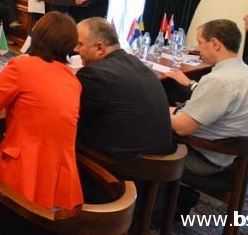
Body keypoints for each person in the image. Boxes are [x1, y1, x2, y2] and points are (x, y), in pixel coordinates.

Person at [0, 12, 83, 221]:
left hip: (19, 186)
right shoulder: (73, 80)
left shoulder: (22, 66)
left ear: (35, 37)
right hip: (59, 191)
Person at [168, 19, 248, 191]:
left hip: (203, 158)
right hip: (231, 156)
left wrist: (155, 108)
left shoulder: (218, 80)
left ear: (215, 44)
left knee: (138, 135)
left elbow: (182, 128)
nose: (198, 48)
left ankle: (152, 199)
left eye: (200, 42)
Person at [74, 18, 174, 160]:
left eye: (80, 44)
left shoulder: (94, 74)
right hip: (163, 161)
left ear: (100, 48)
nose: (75, 50)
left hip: (125, 166)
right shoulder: (136, 63)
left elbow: (74, 119)